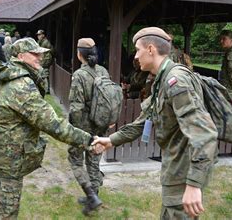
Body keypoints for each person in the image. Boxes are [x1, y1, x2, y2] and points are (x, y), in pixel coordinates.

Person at [93, 27, 218, 219]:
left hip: (183, 171)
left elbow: (205, 134)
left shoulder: (176, 82)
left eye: (138, 50)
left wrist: (194, 184)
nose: (135, 56)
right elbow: (144, 120)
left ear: (150, 49)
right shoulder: (162, 80)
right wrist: (111, 140)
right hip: (174, 167)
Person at [0, 38, 97, 219]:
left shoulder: (4, 74)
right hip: (7, 161)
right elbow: (53, 124)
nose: (40, 57)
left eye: (40, 53)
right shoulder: (20, 85)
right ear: (20, 56)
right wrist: (89, 140)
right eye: (34, 54)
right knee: (6, 211)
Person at [68, 38, 108, 214]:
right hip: (100, 124)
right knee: (94, 160)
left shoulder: (79, 75)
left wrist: (72, 130)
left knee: (75, 158)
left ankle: (91, 196)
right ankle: (94, 195)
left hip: (83, 126)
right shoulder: (103, 71)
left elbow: (76, 107)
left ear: (79, 55)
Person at [36, 29, 54, 94]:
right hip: (42, 60)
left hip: (45, 61)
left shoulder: (46, 42)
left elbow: (51, 51)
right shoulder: (40, 42)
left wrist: (46, 61)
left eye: (39, 35)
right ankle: (44, 88)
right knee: (42, 74)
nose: (38, 36)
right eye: (38, 35)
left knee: (45, 75)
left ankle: (47, 90)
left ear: (43, 35)